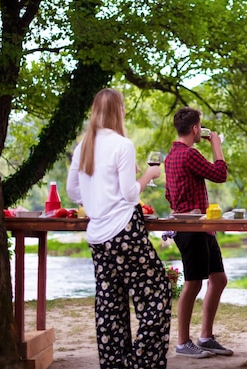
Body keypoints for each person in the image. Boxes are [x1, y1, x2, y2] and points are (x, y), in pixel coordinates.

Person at [66, 88, 172, 369]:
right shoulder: (122, 145)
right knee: (157, 295)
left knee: (110, 305)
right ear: (118, 111)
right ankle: (140, 363)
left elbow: (72, 191)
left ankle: (114, 364)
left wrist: (95, 199)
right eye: (123, 107)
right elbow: (129, 195)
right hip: (125, 232)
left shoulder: (83, 146)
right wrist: (149, 174)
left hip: (98, 237)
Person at [164, 107, 232, 359]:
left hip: (200, 227)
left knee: (219, 279)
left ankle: (206, 337)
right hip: (190, 229)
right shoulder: (189, 154)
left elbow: (168, 195)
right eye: (200, 126)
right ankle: (182, 342)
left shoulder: (171, 156)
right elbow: (220, 174)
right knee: (193, 282)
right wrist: (216, 145)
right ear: (195, 129)